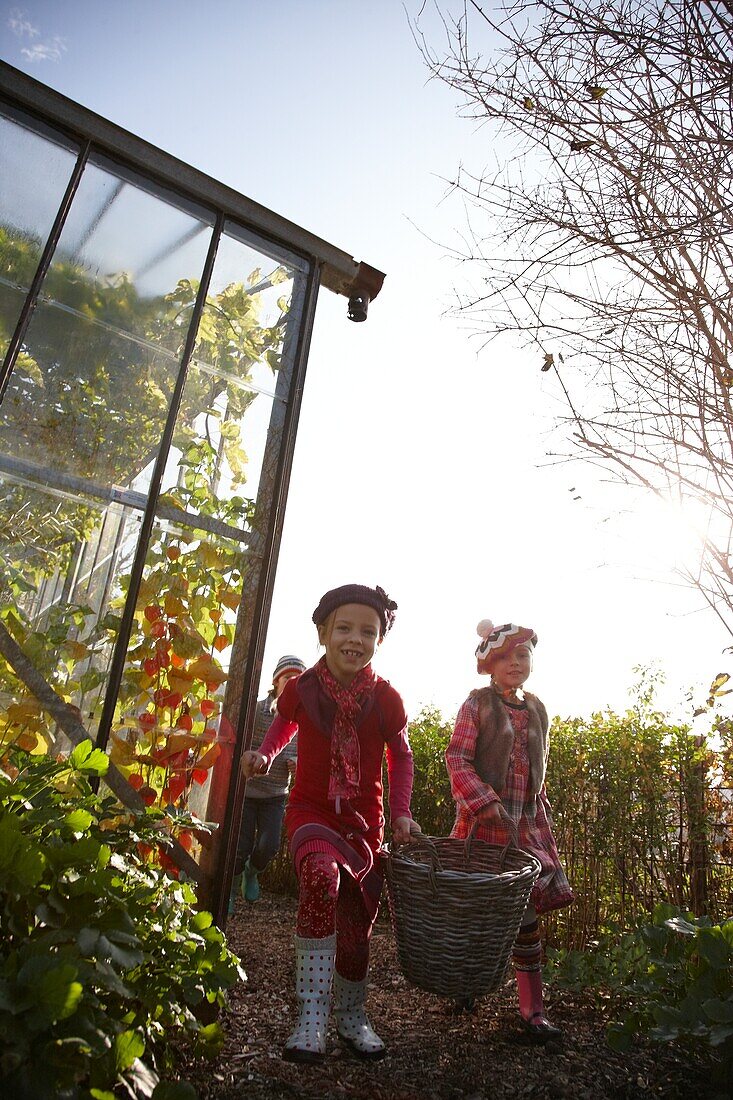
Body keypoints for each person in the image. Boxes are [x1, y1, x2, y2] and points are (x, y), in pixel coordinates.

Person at [241, 583, 421, 1063]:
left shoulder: (386, 698)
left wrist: (401, 812)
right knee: (319, 879)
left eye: (368, 630)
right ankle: (312, 1014)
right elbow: (284, 725)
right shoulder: (302, 689)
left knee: (356, 923)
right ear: (323, 632)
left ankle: (351, 1014)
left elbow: (401, 757)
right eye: (344, 627)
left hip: (364, 825)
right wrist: (263, 754)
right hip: (311, 811)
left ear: (379, 640)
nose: (355, 639)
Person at [445, 620, 573, 1043]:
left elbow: (538, 766)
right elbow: (458, 760)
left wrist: (540, 808)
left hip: (525, 825)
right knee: (477, 910)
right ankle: (465, 986)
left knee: (526, 913)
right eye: (504, 658)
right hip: (486, 824)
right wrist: (485, 801)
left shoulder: (537, 708)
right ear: (489, 665)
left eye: (522, 655)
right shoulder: (477, 705)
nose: (515, 664)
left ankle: (531, 1010)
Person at [229, 654, 306, 915]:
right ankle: (229, 887)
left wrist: (298, 764)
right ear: (276, 682)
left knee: (269, 845)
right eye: (288, 678)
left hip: (275, 795)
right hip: (248, 792)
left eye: (299, 679)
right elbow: (240, 741)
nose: (294, 682)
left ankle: (252, 871)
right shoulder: (257, 711)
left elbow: (301, 753)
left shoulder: (303, 720)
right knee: (239, 846)